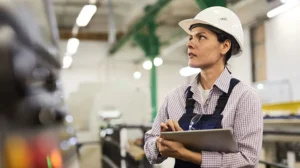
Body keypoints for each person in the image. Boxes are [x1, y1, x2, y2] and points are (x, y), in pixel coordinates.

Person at [144, 6, 263, 168]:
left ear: (225, 46)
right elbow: (149, 143)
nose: (190, 44)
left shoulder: (244, 97)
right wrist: (160, 144)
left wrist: (187, 154)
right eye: (190, 37)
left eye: (201, 37)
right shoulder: (175, 97)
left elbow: (248, 159)